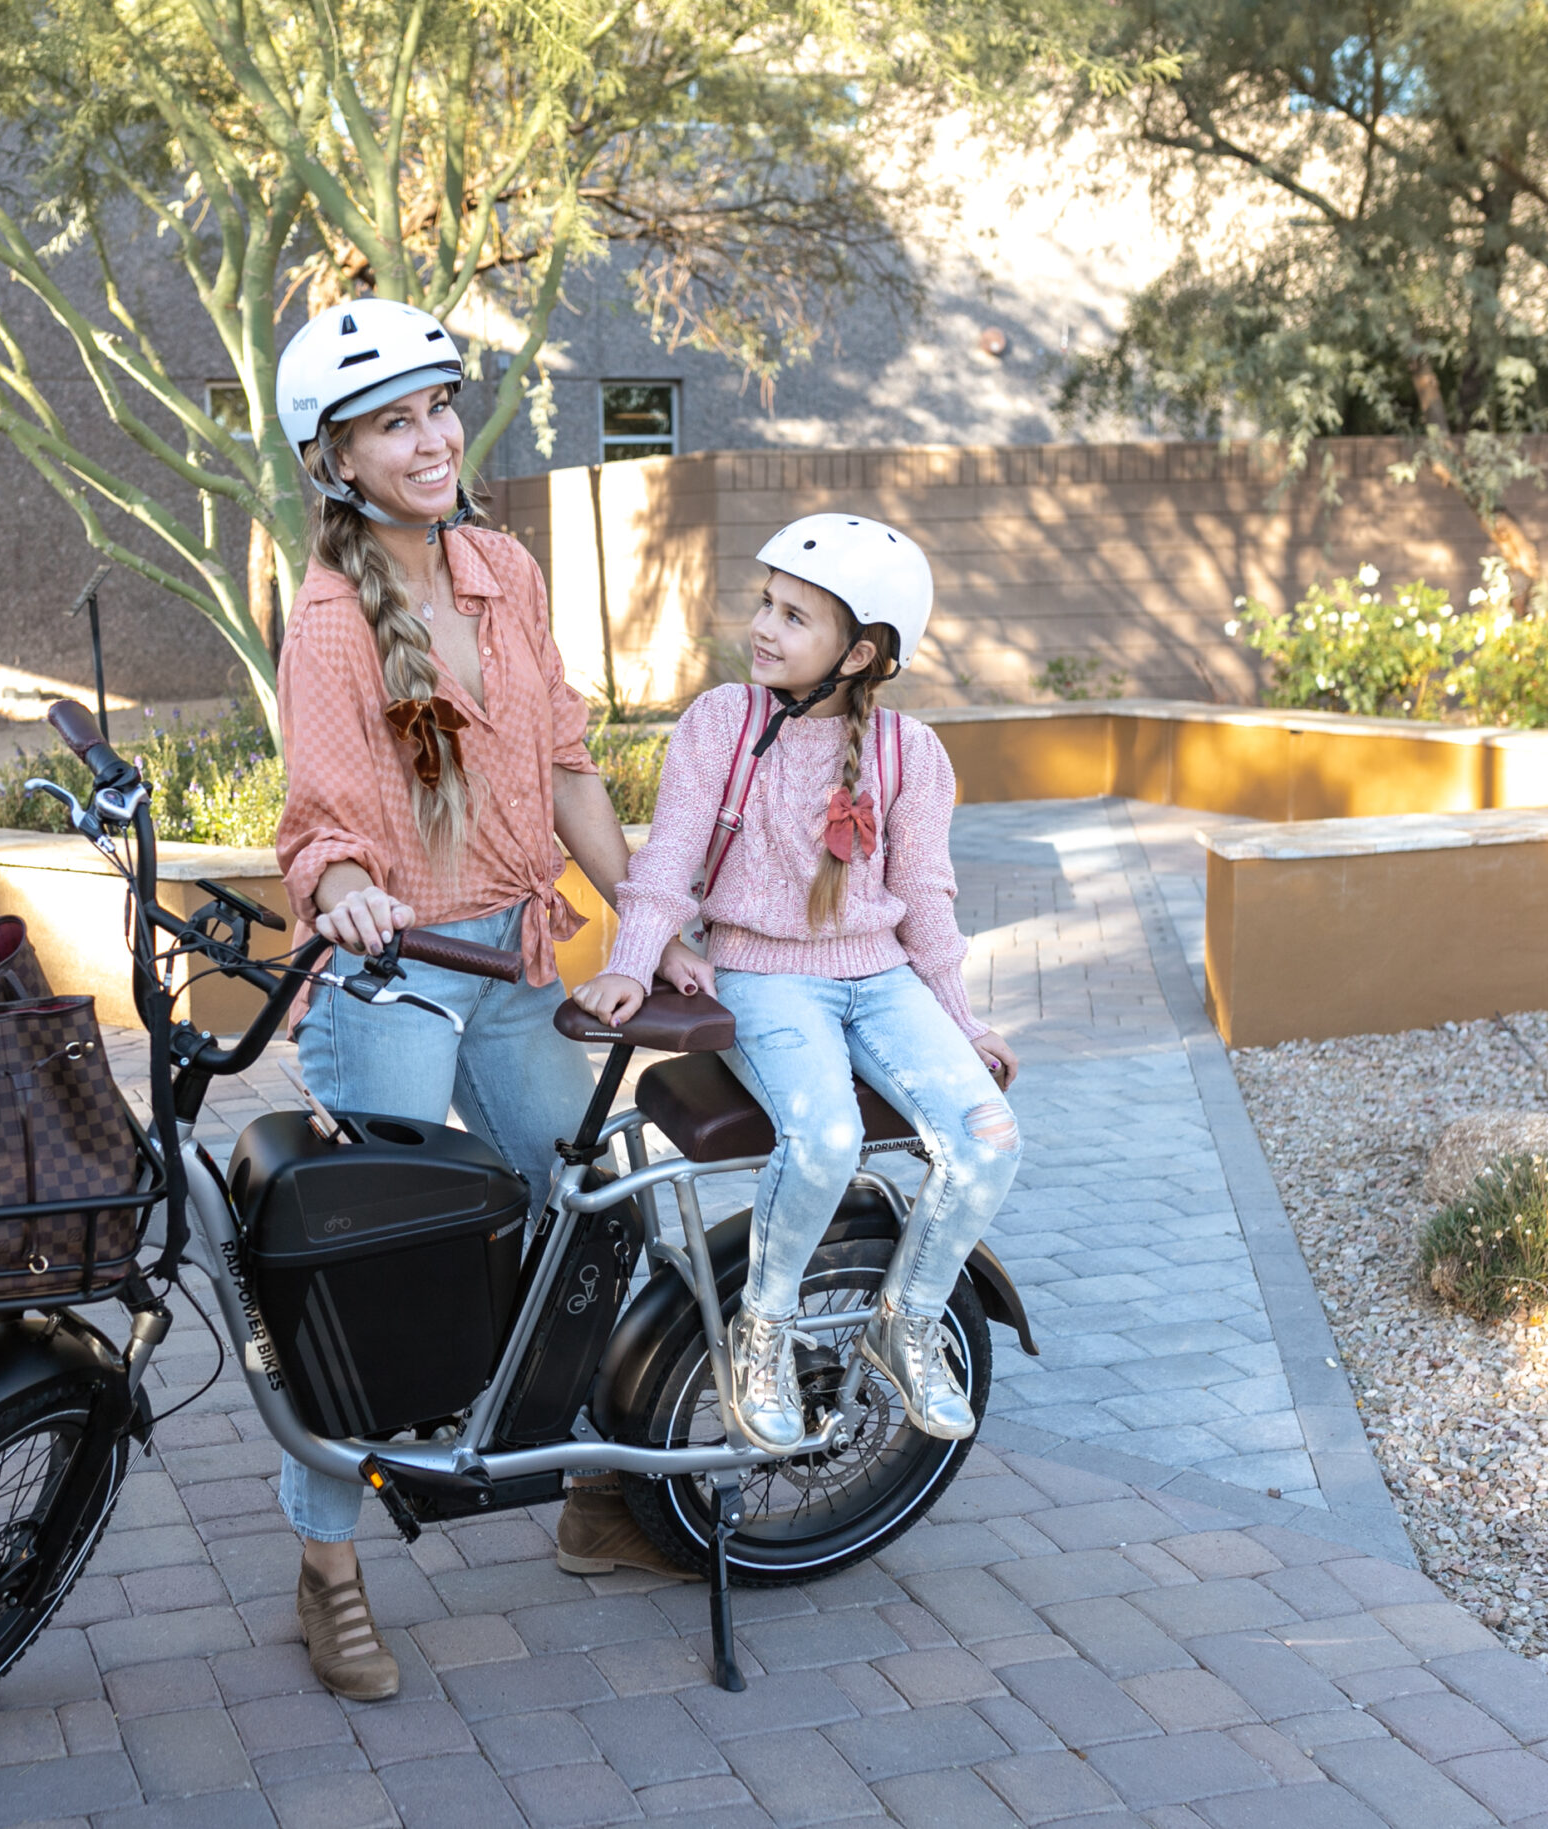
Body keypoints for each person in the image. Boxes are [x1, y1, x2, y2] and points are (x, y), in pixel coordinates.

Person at [269, 299, 716, 1702]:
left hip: (518, 963)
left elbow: (570, 765)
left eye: (438, 408)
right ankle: (328, 1574)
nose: (431, 437)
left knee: (595, 1214)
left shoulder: (504, 567)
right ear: (334, 459)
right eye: (392, 422)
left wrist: (653, 918)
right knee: (359, 1283)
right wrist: (342, 886)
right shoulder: (334, 614)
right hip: (397, 977)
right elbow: (322, 812)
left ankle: (594, 1499)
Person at [570, 513, 1024, 1456]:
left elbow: (926, 901)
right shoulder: (722, 724)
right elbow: (668, 866)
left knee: (987, 1135)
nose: (765, 627)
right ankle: (761, 1336)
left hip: (884, 978)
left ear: (859, 653)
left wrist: (961, 1022)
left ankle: (909, 1318)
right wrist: (630, 959)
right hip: (764, 975)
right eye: (765, 603)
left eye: (795, 616)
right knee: (825, 1137)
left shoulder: (910, 753)